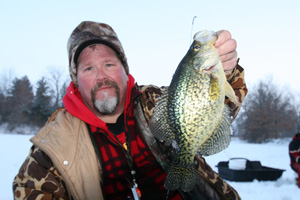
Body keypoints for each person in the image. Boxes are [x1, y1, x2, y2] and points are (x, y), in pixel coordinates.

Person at [13, 21, 248, 200]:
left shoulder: (156, 102)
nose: (101, 76)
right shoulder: (52, 145)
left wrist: (226, 70)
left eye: (108, 64)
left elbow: (220, 106)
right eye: (88, 68)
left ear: (125, 70)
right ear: (76, 80)